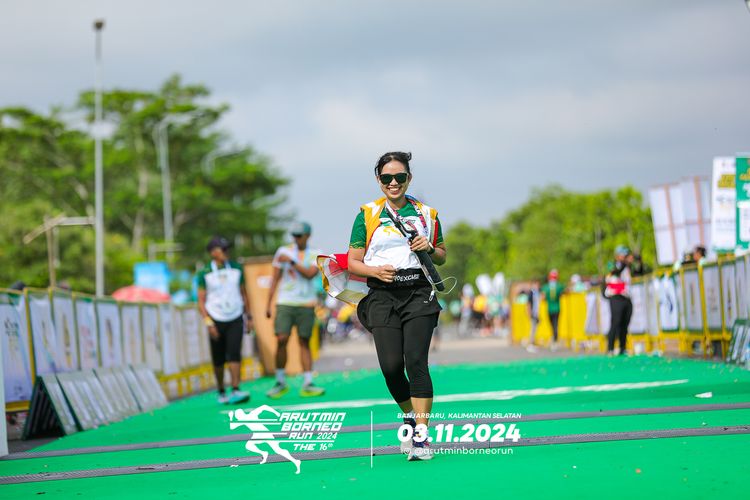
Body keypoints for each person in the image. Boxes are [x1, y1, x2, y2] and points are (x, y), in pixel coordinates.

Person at [347, 151, 446, 461]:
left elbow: (442, 254)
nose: (393, 182)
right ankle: (409, 416)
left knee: (416, 361)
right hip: (382, 296)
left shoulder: (427, 214)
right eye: (387, 177)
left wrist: (429, 247)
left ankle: (421, 436)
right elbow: (352, 262)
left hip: (418, 293)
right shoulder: (367, 215)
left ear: (409, 178)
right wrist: (375, 271)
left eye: (399, 177)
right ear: (379, 180)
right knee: (391, 368)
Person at [265, 222, 326, 398]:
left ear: (307, 236)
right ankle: (280, 381)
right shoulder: (282, 251)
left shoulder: (315, 253)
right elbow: (274, 279)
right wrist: (268, 304)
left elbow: (310, 274)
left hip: (306, 303)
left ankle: (308, 382)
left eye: (299, 236)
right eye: (294, 235)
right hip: (285, 302)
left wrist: (292, 261)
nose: (296, 239)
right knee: (281, 339)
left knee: (304, 341)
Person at [197, 236, 252, 405]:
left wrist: (249, 316)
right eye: (223, 249)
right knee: (218, 358)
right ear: (213, 253)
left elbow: (244, 293)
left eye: (227, 248)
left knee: (234, 352)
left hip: (235, 316)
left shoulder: (236, 268)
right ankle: (221, 391)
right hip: (216, 318)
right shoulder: (204, 273)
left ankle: (235, 388)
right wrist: (208, 322)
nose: (226, 252)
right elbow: (201, 301)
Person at [604, 245, 633, 356]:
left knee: (625, 323)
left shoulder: (628, 267)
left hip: (626, 297)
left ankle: (622, 347)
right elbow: (616, 271)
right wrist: (624, 263)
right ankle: (610, 348)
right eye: (623, 255)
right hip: (616, 297)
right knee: (616, 322)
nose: (625, 257)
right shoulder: (611, 264)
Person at [541, 269, 565, 350]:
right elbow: (562, 294)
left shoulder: (546, 287)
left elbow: (543, 298)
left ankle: (554, 340)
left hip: (550, 309)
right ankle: (555, 340)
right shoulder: (559, 286)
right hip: (557, 308)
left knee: (552, 325)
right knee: (555, 325)